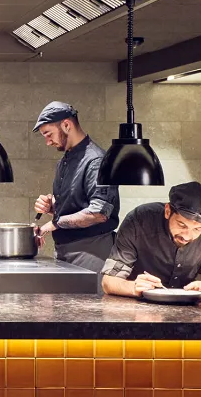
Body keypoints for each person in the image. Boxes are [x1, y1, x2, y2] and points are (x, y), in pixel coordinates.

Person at [102, 181, 201, 297]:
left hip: (187, 308)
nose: (187, 236)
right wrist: (133, 288)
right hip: (136, 303)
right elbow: (108, 282)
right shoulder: (139, 220)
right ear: (167, 211)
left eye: (198, 229)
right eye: (181, 225)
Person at [32, 101, 120, 273]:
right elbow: (78, 204)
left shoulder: (97, 161)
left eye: (49, 134)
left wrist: (55, 223)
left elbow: (99, 213)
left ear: (66, 125)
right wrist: (53, 207)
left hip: (92, 250)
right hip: (65, 249)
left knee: (90, 300)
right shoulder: (64, 161)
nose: (48, 142)